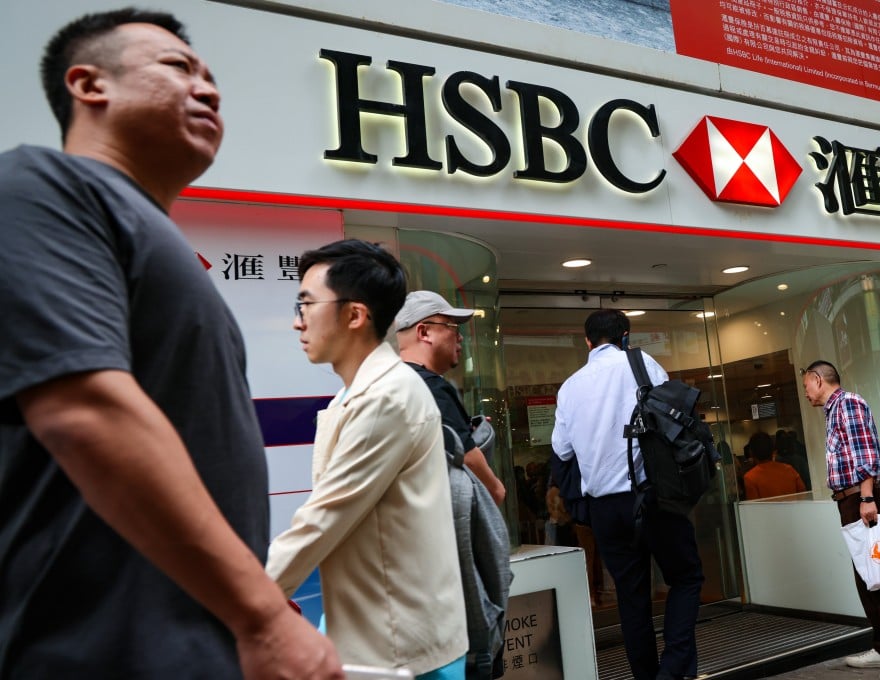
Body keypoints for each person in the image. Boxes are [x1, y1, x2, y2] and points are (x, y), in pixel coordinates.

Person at [0, 9, 342, 678]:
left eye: (212, 76)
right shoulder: (42, 187)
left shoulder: (158, 242)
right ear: (89, 85)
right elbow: (85, 411)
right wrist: (263, 616)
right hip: (93, 651)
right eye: (179, 68)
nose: (209, 89)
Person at [267, 240, 468, 678]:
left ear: (355, 315)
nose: (297, 322)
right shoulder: (360, 391)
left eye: (306, 305)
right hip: (378, 633)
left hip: (403, 649)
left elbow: (322, 519)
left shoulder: (387, 396)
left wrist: (238, 602)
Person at [552, 310, 704, 680]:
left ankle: (647, 675)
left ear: (587, 341)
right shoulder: (642, 364)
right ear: (625, 335)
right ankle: (672, 669)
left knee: (631, 597)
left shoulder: (570, 386)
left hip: (605, 508)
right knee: (685, 577)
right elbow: (672, 419)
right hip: (652, 498)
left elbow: (562, 449)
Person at [801, 360, 880, 680]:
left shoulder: (848, 404)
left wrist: (867, 498)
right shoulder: (834, 410)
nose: (805, 393)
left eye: (806, 385)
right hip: (851, 500)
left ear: (818, 379)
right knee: (867, 577)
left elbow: (866, 455)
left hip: (862, 499)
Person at [395, 290, 506, 505]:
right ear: (424, 332)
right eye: (452, 327)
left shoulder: (393, 382)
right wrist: (495, 489)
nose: (460, 337)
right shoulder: (431, 387)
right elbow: (468, 458)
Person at [742, 431, 806, 500]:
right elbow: (803, 494)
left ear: (751, 452)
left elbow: (753, 508)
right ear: (773, 450)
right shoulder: (789, 469)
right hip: (793, 510)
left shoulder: (750, 477)